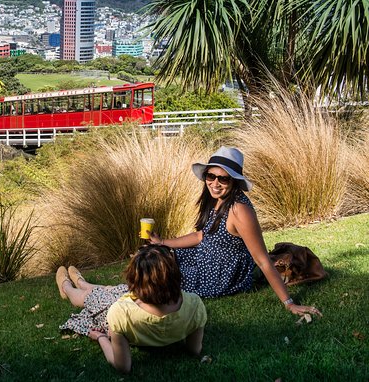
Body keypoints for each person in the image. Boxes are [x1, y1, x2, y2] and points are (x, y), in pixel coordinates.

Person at [149, 146, 322, 318]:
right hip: (205, 257)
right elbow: (201, 235)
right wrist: (162, 242)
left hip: (220, 275)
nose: (215, 183)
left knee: (159, 275)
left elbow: (262, 260)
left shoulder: (239, 209)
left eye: (223, 179)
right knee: (156, 254)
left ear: (234, 181)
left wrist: (289, 303)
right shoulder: (216, 199)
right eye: (211, 176)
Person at [56, 244, 207, 373]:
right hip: (143, 299)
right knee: (111, 289)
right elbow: (194, 349)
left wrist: (101, 338)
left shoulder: (120, 313)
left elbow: (123, 367)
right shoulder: (194, 303)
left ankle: (66, 287)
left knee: (90, 296)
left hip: (126, 306)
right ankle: (82, 282)